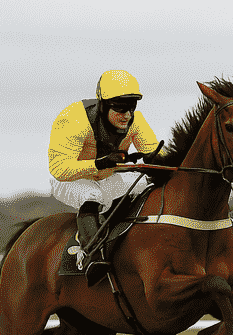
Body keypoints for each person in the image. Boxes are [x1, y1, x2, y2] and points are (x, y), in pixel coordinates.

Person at [48, 69, 163, 284]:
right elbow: (58, 168)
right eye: (119, 108)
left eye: (131, 107)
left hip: (107, 178)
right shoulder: (72, 120)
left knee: (144, 185)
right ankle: (92, 255)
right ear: (103, 105)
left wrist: (159, 161)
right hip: (69, 180)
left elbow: (154, 152)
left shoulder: (134, 121)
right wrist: (99, 163)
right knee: (91, 194)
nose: (127, 115)